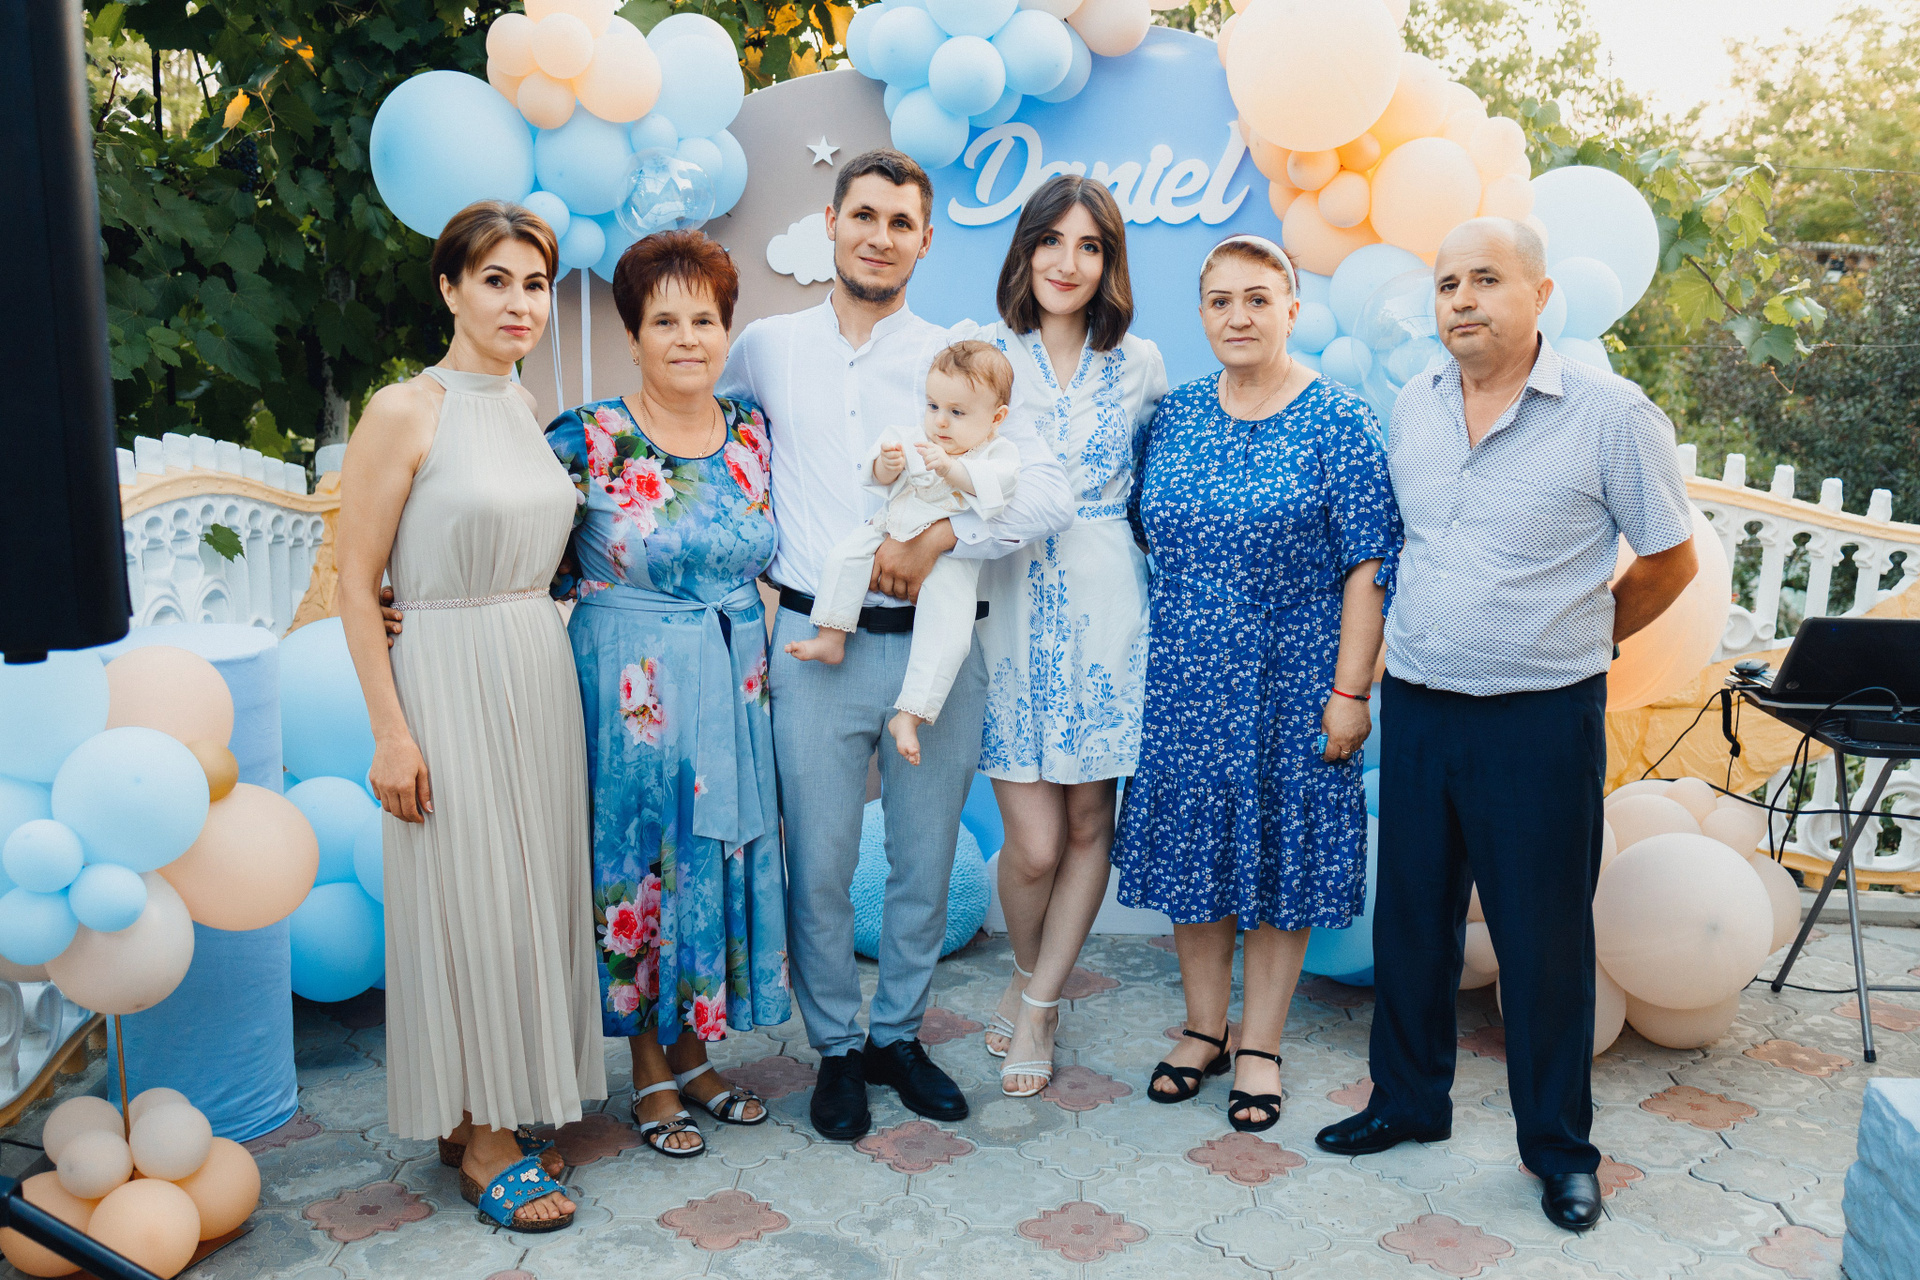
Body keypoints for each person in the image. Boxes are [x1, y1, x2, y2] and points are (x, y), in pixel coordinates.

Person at [1314, 217, 1698, 1232]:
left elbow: (1672, 559)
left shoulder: (1610, 415)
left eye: (1486, 279)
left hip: (1541, 718)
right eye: (1447, 284)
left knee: (1544, 942)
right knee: (1411, 922)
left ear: (1540, 294)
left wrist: (1579, 634)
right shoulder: (1416, 402)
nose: (1462, 300)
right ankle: (1407, 1101)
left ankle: (1560, 1151)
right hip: (1423, 704)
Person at [718, 149, 1072, 1141]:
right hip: (812, 638)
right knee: (819, 862)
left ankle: (900, 1035)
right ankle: (836, 1046)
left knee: (923, 860)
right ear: (832, 222)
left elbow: (1046, 490)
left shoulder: (961, 356)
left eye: (900, 222)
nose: (879, 236)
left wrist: (941, 536)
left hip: (937, 650)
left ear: (925, 239)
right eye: (864, 215)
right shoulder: (767, 348)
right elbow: (708, 441)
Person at [337, 201, 603, 1232]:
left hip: (535, 666)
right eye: (495, 279)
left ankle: (477, 1105)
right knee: (471, 894)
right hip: (446, 672)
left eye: (535, 283)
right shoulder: (405, 408)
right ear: (449, 289)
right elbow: (356, 580)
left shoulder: (525, 405)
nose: (518, 302)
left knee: (528, 894)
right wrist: (391, 730)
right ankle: (486, 1138)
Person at [1112, 235, 1401, 1133]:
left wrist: (1350, 693)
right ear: (1202, 313)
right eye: (1220, 301)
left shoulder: (1338, 420)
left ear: (1291, 310)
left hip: (1294, 680)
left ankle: (1262, 1046)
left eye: (1258, 299)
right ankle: (1204, 1028)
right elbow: (1142, 533)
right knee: (1195, 857)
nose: (1238, 316)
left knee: (1282, 859)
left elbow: (1370, 563)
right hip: (1185, 679)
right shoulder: (1175, 416)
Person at [543, 230, 790, 1159]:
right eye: (665, 321)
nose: (688, 338)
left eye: (705, 320)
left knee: (712, 857)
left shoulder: (752, 431)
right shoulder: (587, 438)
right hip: (633, 689)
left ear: (726, 331)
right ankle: (648, 1064)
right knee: (642, 862)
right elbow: (520, 554)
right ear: (632, 334)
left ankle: (696, 1053)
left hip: (734, 680)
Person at [968, 176, 1168, 1098]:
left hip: (1108, 611)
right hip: (1009, 609)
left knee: (1091, 823)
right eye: (1052, 240)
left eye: (1090, 246)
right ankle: (1024, 972)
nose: (1067, 261)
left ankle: (1040, 1005)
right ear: (1026, 248)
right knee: (1035, 845)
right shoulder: (983, 355)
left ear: (1108, 263)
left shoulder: (1139, 365)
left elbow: (1158, 491)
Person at [787, 341, 1023, 768]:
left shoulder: (996, 453)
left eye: (957, 412)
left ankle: (910, 714)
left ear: (996, 418)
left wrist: (949, 466)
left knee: (949, 630)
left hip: (949, 559)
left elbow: (997, 491)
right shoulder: (913, 437)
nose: (940, 421)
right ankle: (831, 636)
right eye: (933, 406)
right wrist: (887, 464)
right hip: (889, 527)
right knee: (844, 557)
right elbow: (875, 477)